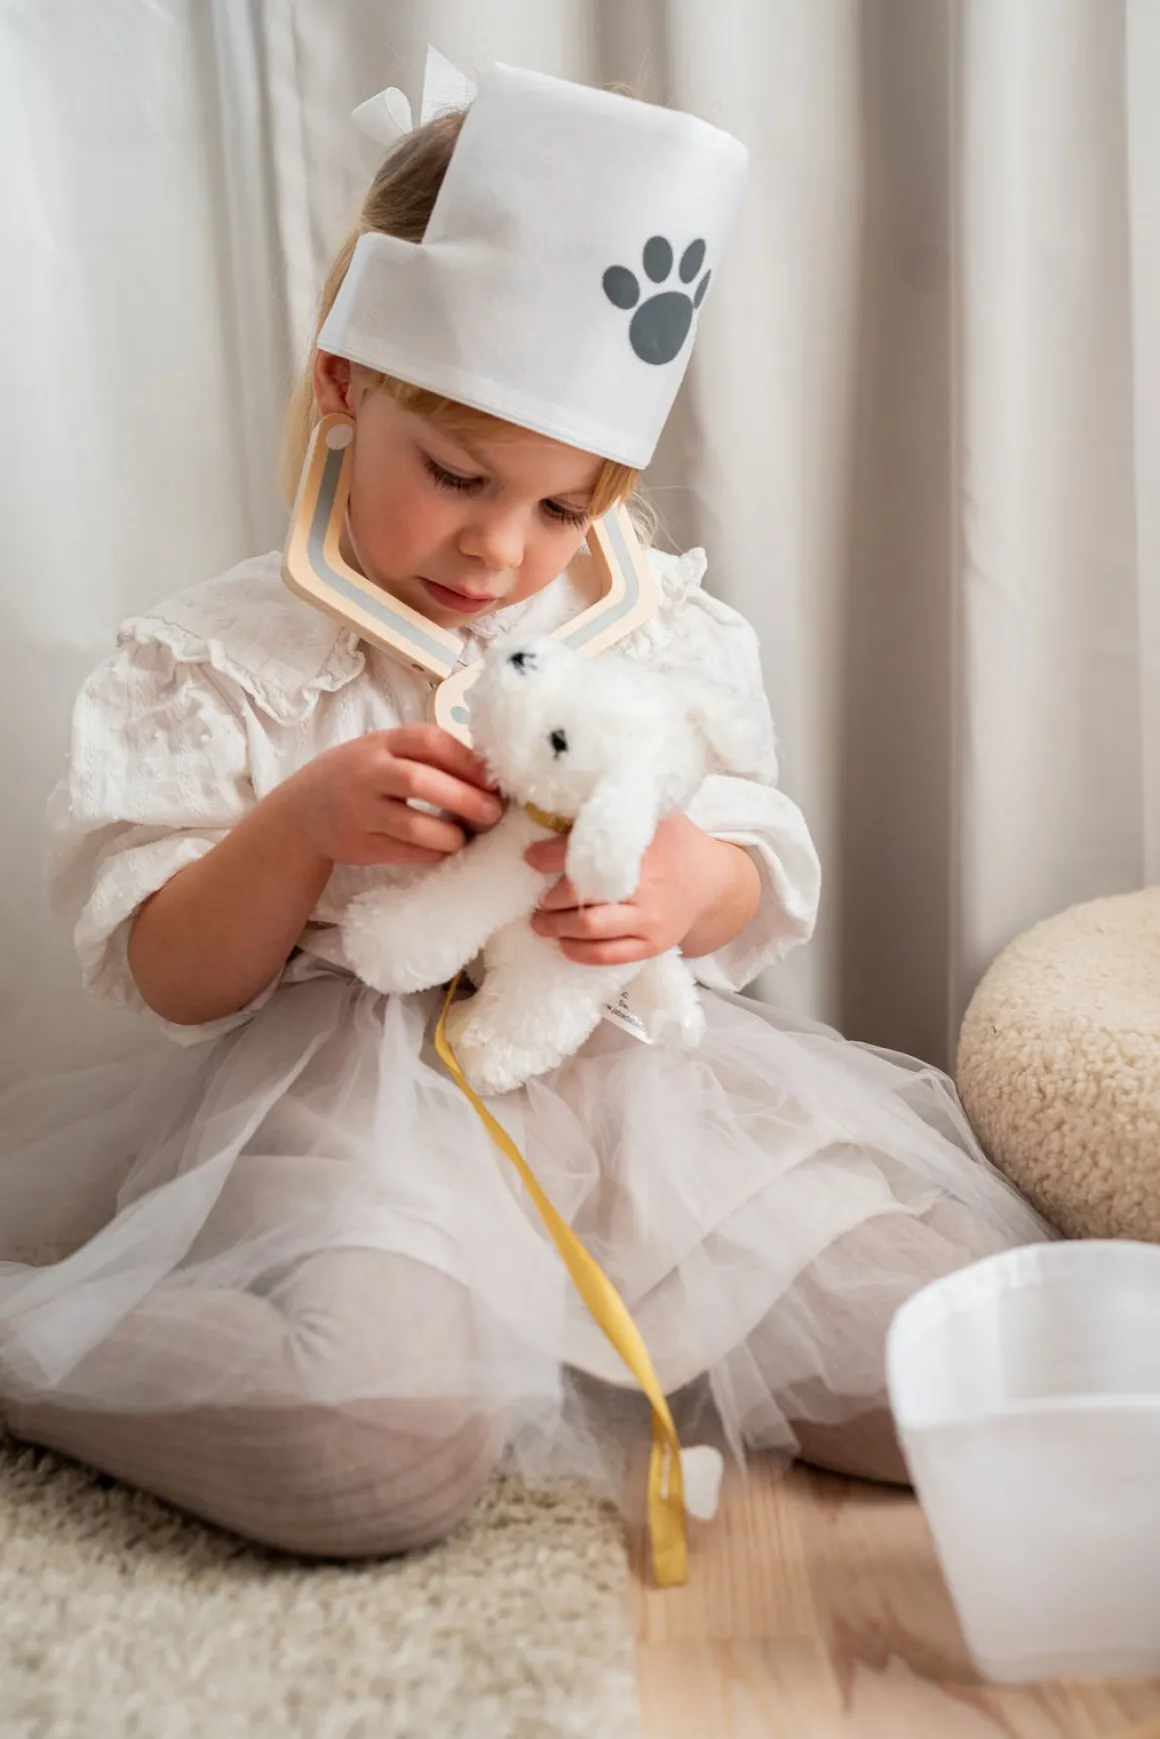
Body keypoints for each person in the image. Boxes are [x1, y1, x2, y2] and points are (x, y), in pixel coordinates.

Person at [0, 58, 1051, 1560]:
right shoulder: (223, 662)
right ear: (346, 384)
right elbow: (172, 974)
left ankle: (619, 1321)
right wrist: (300, 831)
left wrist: (688, 884)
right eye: (456, 476)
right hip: (348, 1114)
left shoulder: (655, 631)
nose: (499, 553)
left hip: (635, 1091)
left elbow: (755, 863)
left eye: (565, 507)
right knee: (369, 1452)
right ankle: (35, 1345)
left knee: (951, 1369)